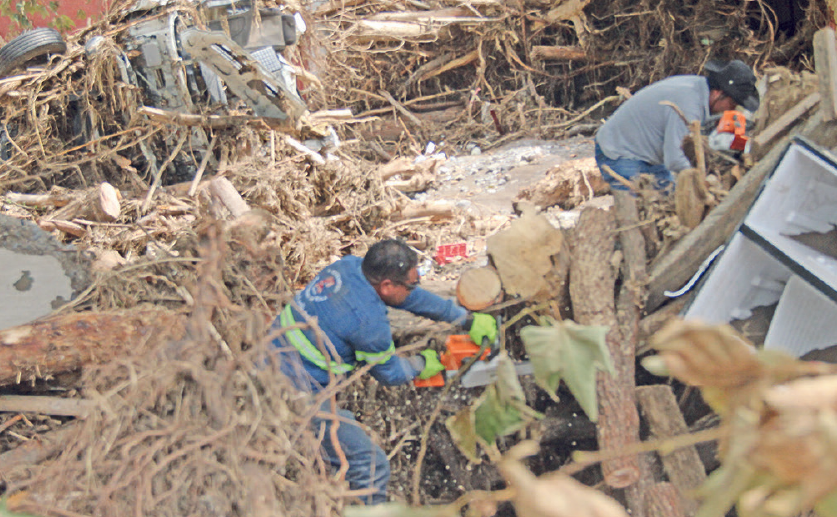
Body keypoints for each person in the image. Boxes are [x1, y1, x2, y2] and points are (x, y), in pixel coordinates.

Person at [270, 238, 497, 504]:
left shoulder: (350, 267)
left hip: (271, 358)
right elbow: (389, 374)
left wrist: (461, 317)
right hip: (292, 394)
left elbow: (409, 298)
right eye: (411, 283)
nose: (415, 288)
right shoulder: (367, 323)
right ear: (387, 286)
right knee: (371, 464)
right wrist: (424, 364)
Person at [594, 59, 760, 192]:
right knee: (648, 206)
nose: (732, 109)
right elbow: (675, 159)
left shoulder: (700, 89)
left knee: (670, 194)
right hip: (620, 154)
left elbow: (714, 140)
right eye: (732, 103)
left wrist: (744, 145)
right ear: (719, 93)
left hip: (649, 157)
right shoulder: (688, 104)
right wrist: (702, 183)